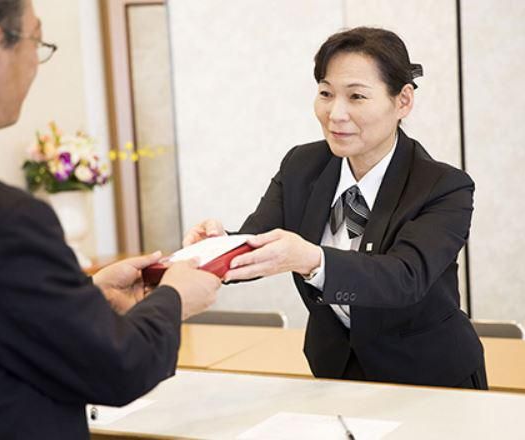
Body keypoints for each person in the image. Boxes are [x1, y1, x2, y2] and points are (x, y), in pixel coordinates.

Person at [0, 1, 220, 438]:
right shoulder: (4, 218)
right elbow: (119, 367)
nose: (36, 61)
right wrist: (175, 297)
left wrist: (81, 297)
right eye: (37, 41)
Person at [184, 27, 486, 389]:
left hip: (430, 376)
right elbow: (258, 242)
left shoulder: (443, 186)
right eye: (326, 93)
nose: (335, 113)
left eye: (357, 96)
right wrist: (217, 247)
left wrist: (312, 260)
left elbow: (405, 277)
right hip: (336, 372)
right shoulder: (301, 165)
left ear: (403, 101)